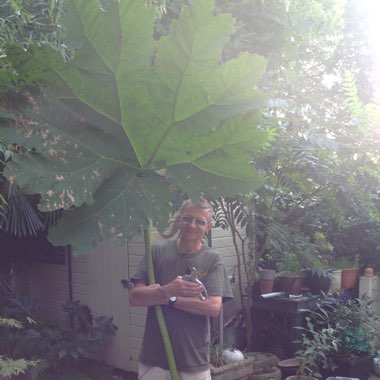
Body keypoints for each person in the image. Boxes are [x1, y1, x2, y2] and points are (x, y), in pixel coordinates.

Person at [130, 198, 233, 380]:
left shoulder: (212, 259)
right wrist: (168, 290)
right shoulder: (156, 252)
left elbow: (213, 307)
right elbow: (135, 298)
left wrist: (168, 298)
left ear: (208, 227)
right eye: (188, 218)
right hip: (154, 358)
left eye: (200, 221)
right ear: (179, 220)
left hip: (193, 360)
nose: (192, 225)